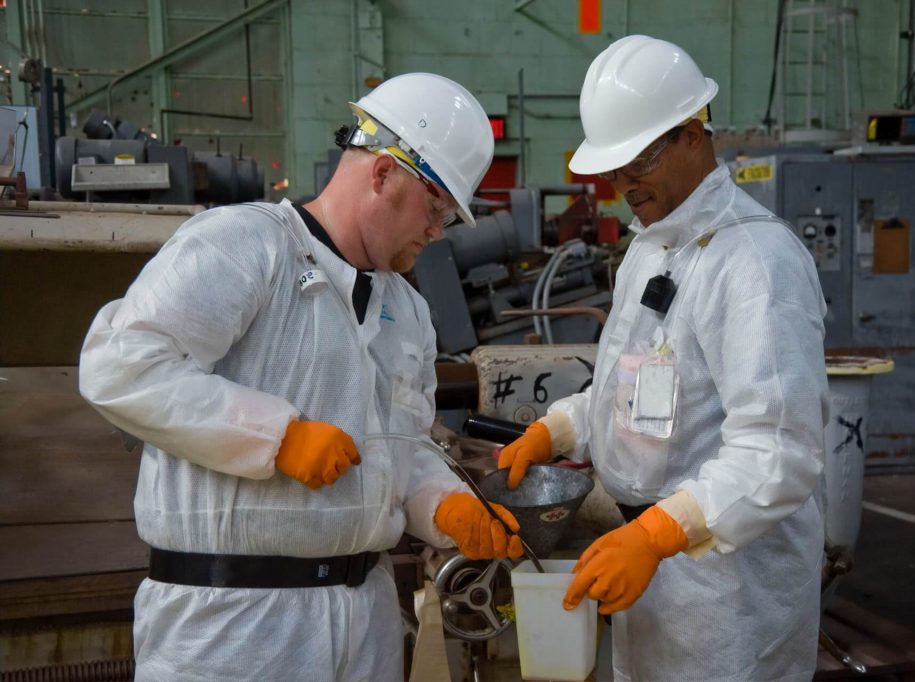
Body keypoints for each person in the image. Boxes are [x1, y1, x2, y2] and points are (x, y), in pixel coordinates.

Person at [79, 72, 523, 682]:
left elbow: (404, 448)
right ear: (384, 172)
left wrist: (442, 504)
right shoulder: (245, 247)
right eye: (437, 206)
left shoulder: (408, 312)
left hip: (364, 621)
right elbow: (121, 366)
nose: (437, 230)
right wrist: (277, 437)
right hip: (232, 629)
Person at [499, 35, 829, 681]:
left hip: (728, 590)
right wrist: (559, 428)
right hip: (656, 571)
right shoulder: (653, 249)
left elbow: (780, 451)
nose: (623, 186)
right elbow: (637, 388)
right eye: (613, 171)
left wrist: (656, 535)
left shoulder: (756, 263)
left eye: (638, 163)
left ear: (692, 133)